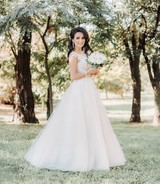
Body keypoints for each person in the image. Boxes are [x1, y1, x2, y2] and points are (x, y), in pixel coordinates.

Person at [25, 27, 126, 172]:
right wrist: (88, 73)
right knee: (78, 120)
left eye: (83, 38)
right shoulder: (73, 56)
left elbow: (93, 72)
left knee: (93, 120)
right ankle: (76, 156)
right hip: (78, 91)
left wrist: (96, 70)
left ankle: (97, 156)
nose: (80, 40)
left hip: (89, 89)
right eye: (77, 38)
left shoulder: (86, 54)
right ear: (72, 40)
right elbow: (73, 77)